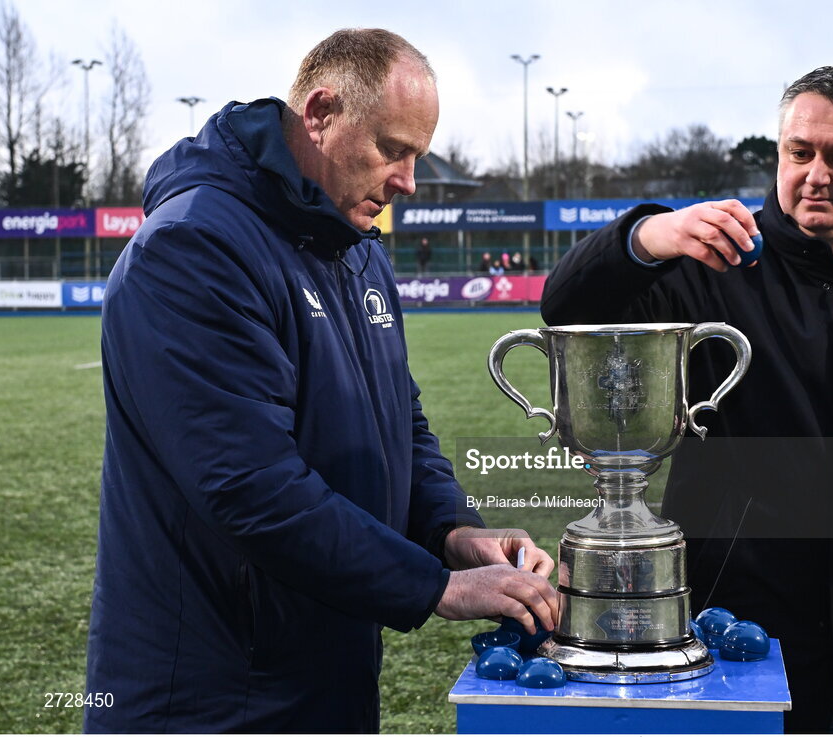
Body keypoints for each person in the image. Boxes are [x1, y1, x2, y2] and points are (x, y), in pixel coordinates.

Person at [85, 28, 557, 733]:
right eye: (391, 149)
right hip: (208, 697)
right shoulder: (193, 247)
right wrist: (437, 586)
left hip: (321, 675)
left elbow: (402, 422)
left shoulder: (354, 246)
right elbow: (252, 489)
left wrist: (451, 529)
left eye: (417, 157)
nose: (407, 182)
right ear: (321, 112)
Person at [540, 65, 833, 733]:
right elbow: (566, 306)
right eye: (800, 152)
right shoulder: (713, 267)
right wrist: (647, 237)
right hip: (740, 636)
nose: (816, 173)